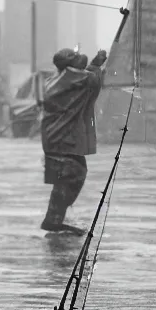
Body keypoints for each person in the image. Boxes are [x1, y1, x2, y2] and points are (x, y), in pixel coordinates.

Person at [40, 47, 107, 235]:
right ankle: (54, 219)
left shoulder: (54, 80)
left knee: (66, 176)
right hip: (63, 138)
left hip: (56, 137)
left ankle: (54, 217)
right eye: (75, 56)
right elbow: (91, 81)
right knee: (73, 174)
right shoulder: (71, 78)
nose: (79, 58)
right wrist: (96, 63)